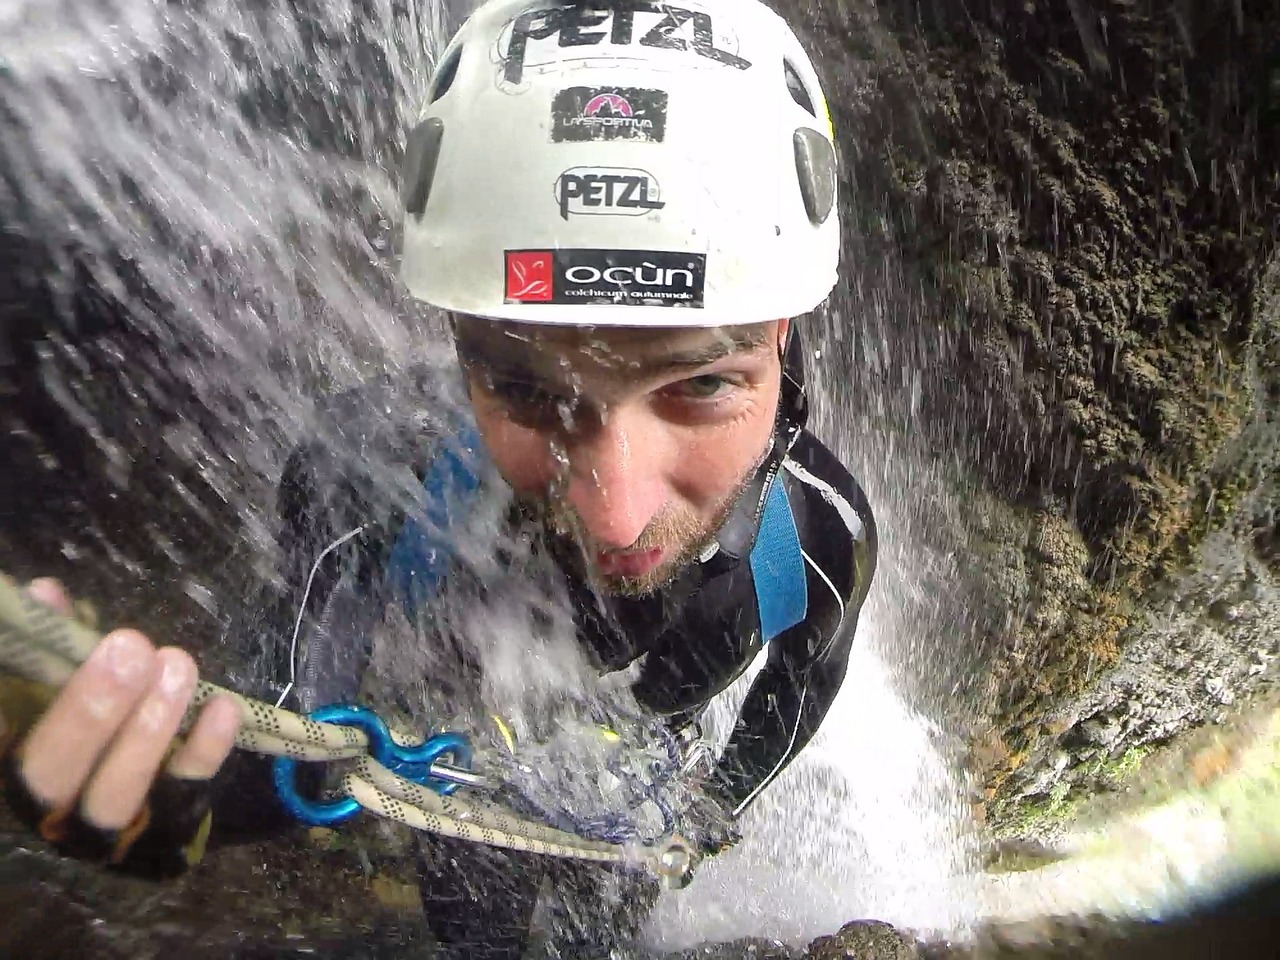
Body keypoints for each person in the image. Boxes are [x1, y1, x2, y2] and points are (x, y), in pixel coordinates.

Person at [1, 0, 877, 955]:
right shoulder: (374, 478)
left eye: (702, 384)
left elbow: (801, 687)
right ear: (458, 355)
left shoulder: (821, 536)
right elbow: (291, 728)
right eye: (523, 391)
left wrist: (709, 812)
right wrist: (167, 794)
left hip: (633, 789)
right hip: (479, 775)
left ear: (783, 332)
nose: (612, 515)